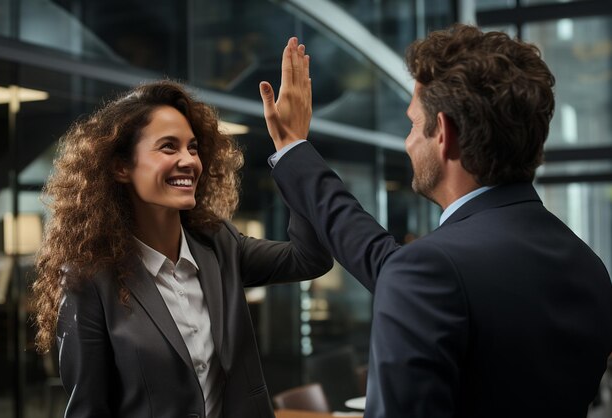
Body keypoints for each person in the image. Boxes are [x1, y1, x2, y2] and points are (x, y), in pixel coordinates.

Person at [259, 29, 612, 418]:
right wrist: (295, 152)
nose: (408, 142)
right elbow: (394, 266)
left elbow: (417, 277)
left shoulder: (431, 271)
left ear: (442, 133)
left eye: (412, 125)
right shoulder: (587, 266)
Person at [31, 79, 333, 418]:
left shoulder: (220, 245)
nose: (189, 161)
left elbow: (311, 258)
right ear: (120, 167)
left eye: (192, 147)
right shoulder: (90, 280)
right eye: (168, 147)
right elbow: (88, 409)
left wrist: (292, 148)